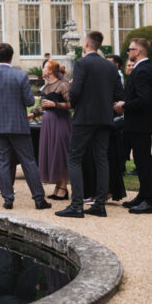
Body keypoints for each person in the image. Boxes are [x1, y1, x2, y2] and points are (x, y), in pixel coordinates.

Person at [56, 31, 124, 219]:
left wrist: (75, 100)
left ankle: (77, 205)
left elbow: (75, 92)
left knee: (74, 157)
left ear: (86, 44)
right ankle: (99, 205)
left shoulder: (82, 63)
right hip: (104, 117)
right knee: (101, 158)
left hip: (85, 117)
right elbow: (119, 93)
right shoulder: (110, 67)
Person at [0, 42, 50, 210]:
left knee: (2, 162)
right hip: (18, 125)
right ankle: (39, 199)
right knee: (28, 161)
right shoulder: (21, 76)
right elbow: (30, 101)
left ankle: (8, 199)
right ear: (11, 57)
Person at [116, 37, 152, 214]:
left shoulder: (143, 70)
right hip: (140, 123)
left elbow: (144, 99)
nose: (128, 52)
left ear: (138, 51)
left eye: (130, 49)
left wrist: (124, 105)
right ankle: (144, 195)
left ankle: (151, 201)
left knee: (144, 161)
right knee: (141, 160)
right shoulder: (144, 68)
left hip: (140, 123)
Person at [36, 59, 72, 200]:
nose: (42, 69)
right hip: (48, 124)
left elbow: (71, 104)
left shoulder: (62, 85)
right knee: (52, 153)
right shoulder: (45, 88)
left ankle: (63, 187)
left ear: (50, 70)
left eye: (44, 67)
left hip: (61, 122)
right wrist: (34, 113)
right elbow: (43, 106)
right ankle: (58, 186)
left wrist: (54, 104)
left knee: (60, 152)